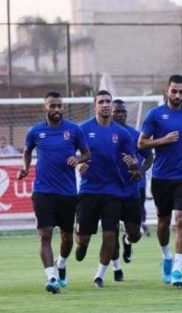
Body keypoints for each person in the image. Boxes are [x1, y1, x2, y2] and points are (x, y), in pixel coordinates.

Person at [18, 91, 90, 294]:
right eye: (52, 106)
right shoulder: (35, 132)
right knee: (45, 234)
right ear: (45, 107)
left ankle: (61, 263)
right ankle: (51, 277)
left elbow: (87, 153)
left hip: (67, 193)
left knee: (67, 238)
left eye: (59, 105)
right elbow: (27, 151)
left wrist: (78, 159)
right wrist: (25, 167)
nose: (57, 109)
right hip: (43, 191)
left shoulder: (74, 130)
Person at [138, 74, 182, 287]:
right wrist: (163, 140)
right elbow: (141, 143)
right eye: (174, 91)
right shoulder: (155, 115)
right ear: (167, 91)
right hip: (161, 177)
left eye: (181, 91)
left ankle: (177, 269)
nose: (177, 95)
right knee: (163, 223)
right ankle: (166, 256)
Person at [73, 91, 138, 288]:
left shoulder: (122, 133)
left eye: (108, 101)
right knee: (83, 239)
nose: (105, 105)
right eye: (101, 101)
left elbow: (133, 159)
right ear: (95, 106)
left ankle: (99, 275)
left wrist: (133, 163)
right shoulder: (82, 129)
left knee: (110, 234)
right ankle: (82, 245)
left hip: (113, 191)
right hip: (89, 190)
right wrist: (78, 165)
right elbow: (73, 155)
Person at [110, 99, 153, 281]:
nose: (121, 115)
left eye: (123, 112)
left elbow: (149, 157)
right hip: (109, 190)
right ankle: (116, 269)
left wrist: (140, 171)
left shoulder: (135, 135)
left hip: (133, 190)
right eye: (117, 111)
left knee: (135, 234)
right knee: (110, 232)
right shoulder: (103, 133)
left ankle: (128, 241)